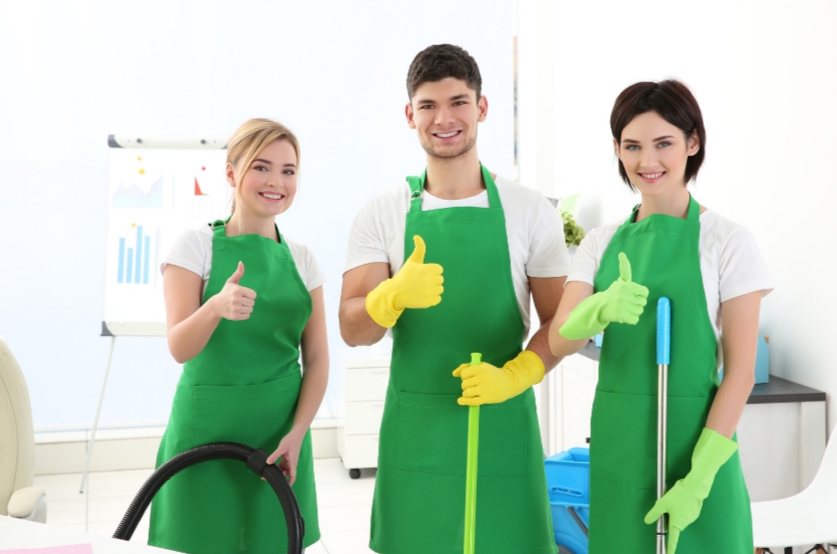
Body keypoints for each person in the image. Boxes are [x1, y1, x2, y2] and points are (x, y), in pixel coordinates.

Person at [340, 44, 570, 553]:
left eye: (459, 102)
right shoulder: (381, 214)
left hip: (504, 423)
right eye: (428, 105)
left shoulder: (529, 211)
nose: (444, 118)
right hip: (416, 431)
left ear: (482, 108)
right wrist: (387, 298)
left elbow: (560, 325)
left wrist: (518, 376)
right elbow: (353, 329)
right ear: (410, 115)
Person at [547, 80, 773, 553]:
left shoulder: (727, 241)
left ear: (693, 142)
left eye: (663, 143)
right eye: (632, 146)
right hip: (620, 455)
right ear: (617, 150)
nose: (647, 161)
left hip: (698, 449)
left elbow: (740, 374)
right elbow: (561, 339)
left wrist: (700, 477)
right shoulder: (600, 242)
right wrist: (599, 308)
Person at [148, 118, 328, 553]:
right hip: (204, 431)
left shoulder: (302, 260)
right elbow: (179, 347)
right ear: (232, 173)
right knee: (201, 539)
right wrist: (215, 308)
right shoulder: (194, 248)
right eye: (261, 167)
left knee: (274, 540)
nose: (276, 182)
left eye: (288, 171)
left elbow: (318, 359)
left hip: (278, 437)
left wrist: (298, 432)